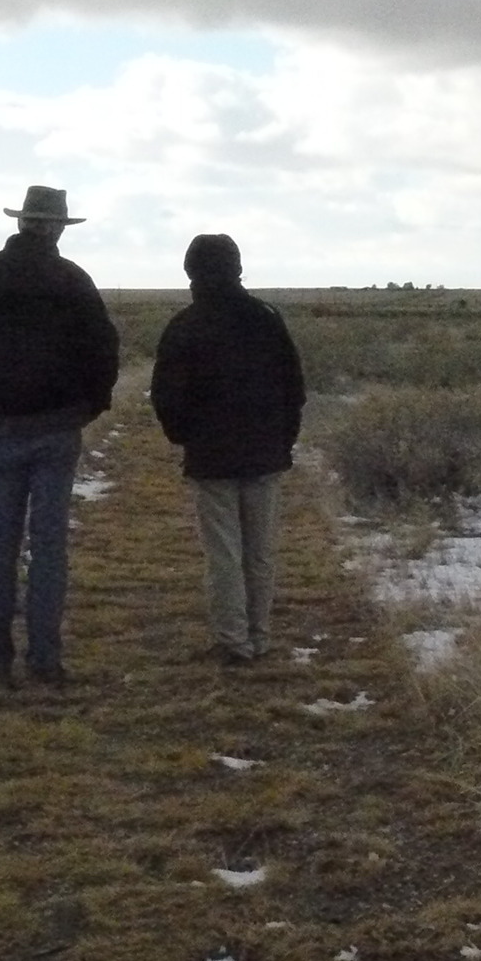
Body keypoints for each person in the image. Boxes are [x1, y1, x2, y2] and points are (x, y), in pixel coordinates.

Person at [0, 187, 119, 687]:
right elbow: (104, 352)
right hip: (57, 430)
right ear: (58, 227)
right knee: (48, 546)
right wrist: (86, 408)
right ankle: (44, 658)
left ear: (22, 222)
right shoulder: (73, 280)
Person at [151, 234, 306, 665]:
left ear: (190, 272)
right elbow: (294, 387)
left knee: (224, 553)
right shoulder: (266, 318)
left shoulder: (185, 324)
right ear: (237, 268)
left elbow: (166, 395)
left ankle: (234, 641)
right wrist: (283, 439)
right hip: (265, 453)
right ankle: (259, 635)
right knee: (260, 552)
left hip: (211, 456)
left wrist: (184, 437)